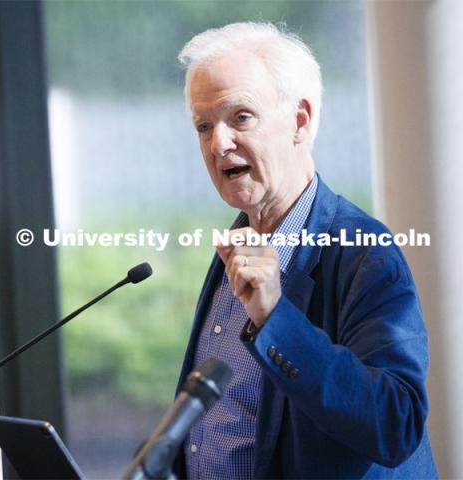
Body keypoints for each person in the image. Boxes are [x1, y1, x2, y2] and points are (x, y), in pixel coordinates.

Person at [172, 22, 438, 479]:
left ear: (300, 120)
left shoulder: (366, 253)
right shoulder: (238, 246)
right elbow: (221, 425)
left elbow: (397, 424)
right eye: (203, 125)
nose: (218, 143)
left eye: (241, 117)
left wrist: (277, 318)